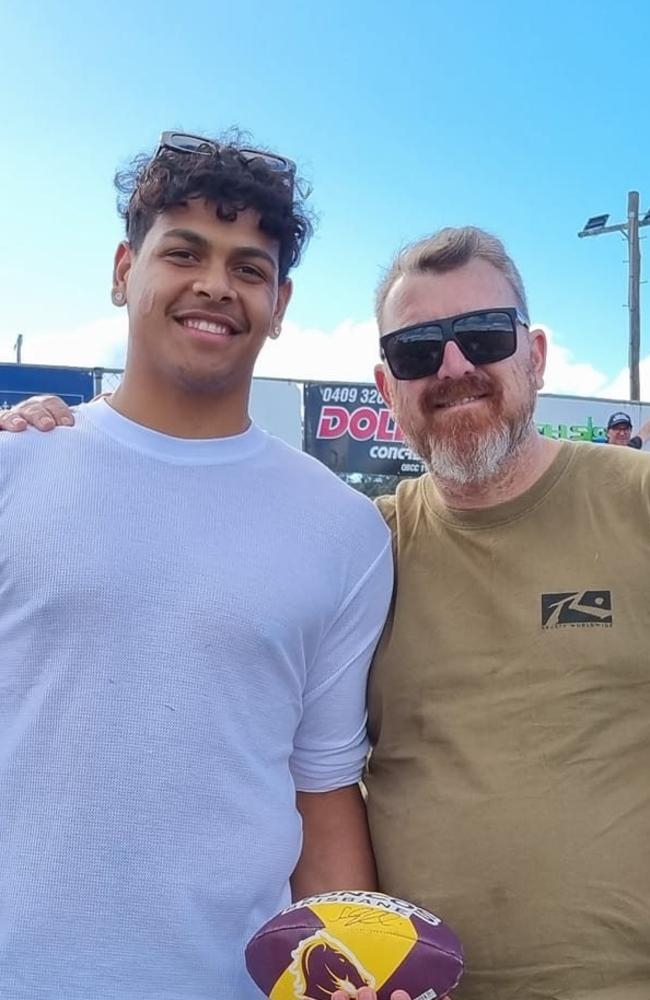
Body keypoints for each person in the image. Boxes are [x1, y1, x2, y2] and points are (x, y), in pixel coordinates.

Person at [0, 131, 395, 999]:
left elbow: (323, 790)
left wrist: (343, 972)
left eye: (249, 268)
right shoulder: (14, 469)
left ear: (280, 302)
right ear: (122, 269)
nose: (216, 284)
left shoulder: (345, 529)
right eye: (183, 251)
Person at [365, 227, 650, 999]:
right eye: (418, 351)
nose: (454, 367)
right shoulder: (363, 550)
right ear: (389, 389)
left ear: (536, 355)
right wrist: (51, 436)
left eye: (484, 335)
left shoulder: (637, 503)